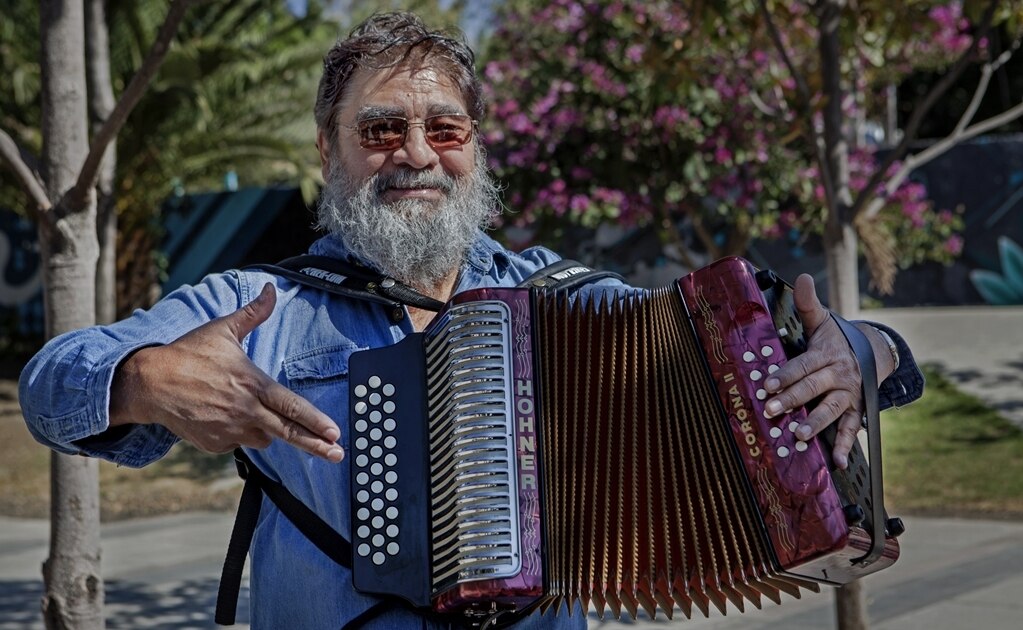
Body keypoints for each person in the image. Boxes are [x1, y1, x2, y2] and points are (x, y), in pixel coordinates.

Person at [20, 11, 923, 630]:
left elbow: (757, 354)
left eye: (443, 130)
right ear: (326, 150)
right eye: (380, 130)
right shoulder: (264, 308)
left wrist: (866, 350)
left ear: (475, 148)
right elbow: (52, 382)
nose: (416, 154)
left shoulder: (563, 298)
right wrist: (140, 379)